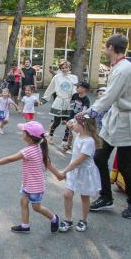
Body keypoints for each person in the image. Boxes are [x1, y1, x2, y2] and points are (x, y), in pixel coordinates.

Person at [79, 34, 131, 218]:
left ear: (110, 47)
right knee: (100, 157)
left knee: (125, 165)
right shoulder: (119, 66)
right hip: (115, 118)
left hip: (126, 122)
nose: (104, 49)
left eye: (105, 46)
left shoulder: (124, 69)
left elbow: (110, 96)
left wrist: (88, 113)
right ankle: (106, 197)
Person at [0, 121, 61, 233]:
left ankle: (54, 218)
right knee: (23, 202)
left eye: (23, 132)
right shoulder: (39, 147)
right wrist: (58, 175)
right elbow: (48, 163)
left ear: (29, 137)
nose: (21, 133)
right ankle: (25, 225)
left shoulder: (28, 150)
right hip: (28, 184)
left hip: (35, 186)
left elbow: (9, 159)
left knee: (37, 208)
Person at [58, 115, 102, 232]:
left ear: (83, 125)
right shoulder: (78, 135)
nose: (73, 124)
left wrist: (64, 171)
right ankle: (68, 220)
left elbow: (78, 160)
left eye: (75, 123)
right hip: (73, 170)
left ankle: (83, 220)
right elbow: (71, 127)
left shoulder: (89, 142)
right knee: (67, 194)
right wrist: (70, 124)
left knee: (84, 196)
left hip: (84, 172)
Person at [42, 61, 78, 144]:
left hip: (69, 102)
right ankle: (50, 136)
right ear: (60, 68)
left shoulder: (74, 77)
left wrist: (76, 98)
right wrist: (45, 98)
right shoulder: (57, 77)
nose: (64, 69)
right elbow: (51, 88)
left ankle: (64, 141)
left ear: (70, 67)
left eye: (66, 67)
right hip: (59, 101)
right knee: (56, 122)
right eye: (62, 68)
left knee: (69, 122)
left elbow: (75, 89)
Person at [61, 81, 90, 151]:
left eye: (78, 87)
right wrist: (68, 117)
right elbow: (71, 105)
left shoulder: (86, 100)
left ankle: (76, 147)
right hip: (71, 116)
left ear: (84, 89)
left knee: (76, 133)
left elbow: (84, 111)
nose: (76, 88)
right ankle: (68, 145)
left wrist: (78, 118)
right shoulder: (75, 95)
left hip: (79, 119)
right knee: (69, 131)